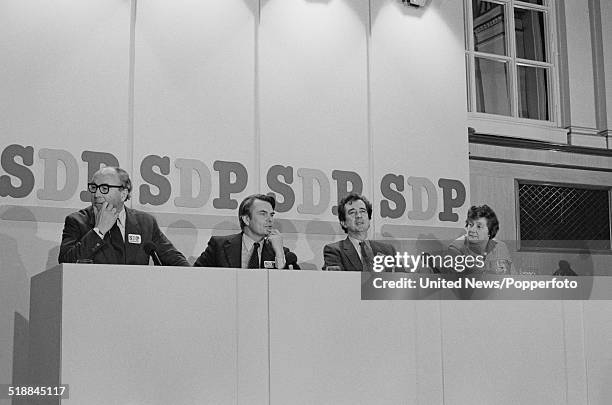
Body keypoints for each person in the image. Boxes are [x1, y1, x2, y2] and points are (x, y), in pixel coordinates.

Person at [59, 167, 189, 266]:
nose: (96, 194)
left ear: (123, 194)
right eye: (93, 187)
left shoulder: (146, 223)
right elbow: (66, 263)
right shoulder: (77, 221)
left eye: (104, 188)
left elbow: (175, 261)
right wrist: (98, 231)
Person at [193, 194, 299, 269]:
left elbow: (291, 286)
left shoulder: (280, 252)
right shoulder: (219, 246)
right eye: (263, 214)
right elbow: (195, 277)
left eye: (271, 214)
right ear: (246, 219)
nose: (270, 219)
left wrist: (279, 254)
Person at [323, 193, 397, 271]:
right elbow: (335, 280)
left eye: (362, 211)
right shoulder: (334, 250)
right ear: (343, 223)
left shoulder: (388, 250)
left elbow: (402, 279)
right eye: (352, 212)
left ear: (369, 219)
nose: (359, 216)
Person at [447, 204, 513, 275]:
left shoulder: (500, 247)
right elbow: (456, 283)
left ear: (490, 231)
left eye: (479, 226)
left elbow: (512, 278)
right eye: (470, 224)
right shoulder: (455, 248)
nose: (472, 230)